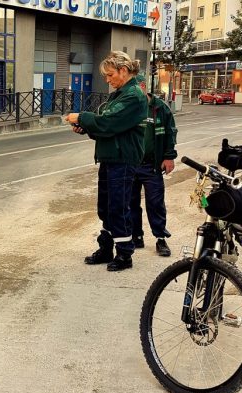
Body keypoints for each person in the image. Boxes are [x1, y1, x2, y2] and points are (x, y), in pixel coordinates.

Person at [65, 51, 146, 271]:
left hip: (123, 159)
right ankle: (107, 247)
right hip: (110, 157)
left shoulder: (133, 96)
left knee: (118, 207)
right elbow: (105, 127)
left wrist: (82, 117)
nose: (108, 80)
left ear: (124, 70)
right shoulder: (118, 95)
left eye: (110, 75)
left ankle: (124, 254)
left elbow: (109, 123)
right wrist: (87, 128)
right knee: (106, 207)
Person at [130, 75, 177, 257]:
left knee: (155, 203)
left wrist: (169, 157)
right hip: (131, 164)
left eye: (133, 89)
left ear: (142, 86)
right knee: (130, 203)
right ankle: (136, 236)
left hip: (152, 166)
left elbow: (170, 133)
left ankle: (160, 238)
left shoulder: (160, 108)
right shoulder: (130, 107)